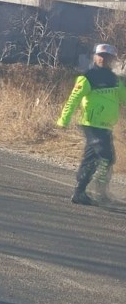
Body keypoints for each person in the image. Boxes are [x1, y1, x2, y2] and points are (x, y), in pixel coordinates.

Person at [56, 43, 126, 206]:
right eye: (100, 56)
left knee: (90, 159)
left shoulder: (115, 79)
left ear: (112, 59)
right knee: (107, 157)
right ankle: (100, 190)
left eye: (107, 57)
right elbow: (73, 99)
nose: (103, 59)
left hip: (106, 125)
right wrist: (63, 119)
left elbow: (124, 98)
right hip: (92, 124)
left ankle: (79, 192)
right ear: (94, 56)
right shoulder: (87, 77)